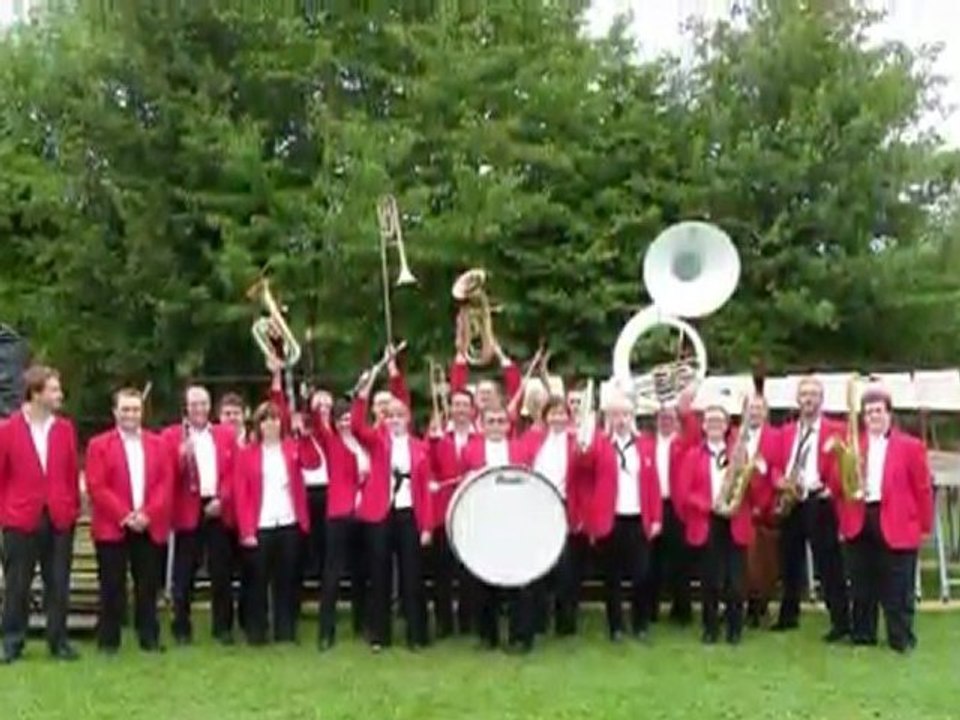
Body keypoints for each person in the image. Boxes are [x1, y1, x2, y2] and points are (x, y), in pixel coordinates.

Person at [835, 383, 932, 653]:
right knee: (861, 581)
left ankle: (900, 637)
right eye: (868, 413)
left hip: (897, 520)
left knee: (898, 585)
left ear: (889, 414)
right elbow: (838, 485)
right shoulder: (854, 445)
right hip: (860, 517)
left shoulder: (911, 446)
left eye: (878, 411)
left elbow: (922, 488)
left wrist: (923, 525)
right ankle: (863, 634)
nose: (874, 417)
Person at [0, 365, 81, 663]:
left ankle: (58, 641)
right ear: (36, 393)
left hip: (59, 516)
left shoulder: (65, 429)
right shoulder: (7, 430)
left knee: (58, 582)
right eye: (54, 390)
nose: (60, 395)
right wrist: (6, 513)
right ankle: (12, 641)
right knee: (17, 583)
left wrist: (71, 509)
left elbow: (72, 473)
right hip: (20, 519)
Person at [85, 387, 173, 653]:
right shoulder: (98, 445)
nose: (131, 414)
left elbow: (165, 483)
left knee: (147, 586)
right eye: (125, 409)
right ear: (115, 412)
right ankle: (109, 641)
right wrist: (125, 515)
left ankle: (149, 637)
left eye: (135, 409)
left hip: (149, 524)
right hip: (113, 526)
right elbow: (97, 486)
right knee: (112, 586)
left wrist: (148, 513)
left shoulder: (158, 444)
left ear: (142, 412)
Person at [351, 374, 433, 652]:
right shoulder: (377, 442)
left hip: (409, 513)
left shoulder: (420, 447)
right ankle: (379, 636)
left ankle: (417, 635)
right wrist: (363, 394)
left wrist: (426, 527)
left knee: (413, 576)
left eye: (400, 415)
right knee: (380, 574)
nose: (395, 419)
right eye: (391, 415)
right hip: (381, 514)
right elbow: (356, 426)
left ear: (408, 418)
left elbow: (424, 488)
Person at [773, 376, 850, 641]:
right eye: (804, 394)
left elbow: (847, 463)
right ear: (797, 399)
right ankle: (788, 615)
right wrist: (779, 481)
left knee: (829, 564)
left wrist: (832, 487)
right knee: (789, 562)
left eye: (814, 394)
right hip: (792, 500)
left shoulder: (837, 429)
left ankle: (841, 622)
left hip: (820, 500)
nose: (808, 399)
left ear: (821, 399)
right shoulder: (785, 432)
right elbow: (773, 465)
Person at [680, 404, 763, 645]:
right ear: (703, 426)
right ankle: (710, 629)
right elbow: (685, 493)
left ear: (727, 426)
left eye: (719, 421)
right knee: (710, 581)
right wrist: (709, 504)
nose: (714, 425)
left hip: (735, 520)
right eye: (709, 421)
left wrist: (754, 472)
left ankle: (735, 630)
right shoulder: (693, 456)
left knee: (736, 582)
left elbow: (753, 491)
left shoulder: (739, 453)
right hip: (708, 521)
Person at [162, 385, 238, 645]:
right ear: (186, 407)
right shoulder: (172, 436)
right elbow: (165, 477)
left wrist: (222, 498)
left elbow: (233, 473)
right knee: (184, 575)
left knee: (221, 573)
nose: (199, 409)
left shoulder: (225, 435)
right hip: (187, 509)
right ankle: (181, 628)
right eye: (194, 404)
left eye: (203, 403)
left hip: (217, 506)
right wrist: (180, 458)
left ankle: (223, 628)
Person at [587, 390, 662, 642]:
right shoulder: (599, 444)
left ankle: (640, 624)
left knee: (641, 575)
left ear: (633, 417)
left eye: (625, 414)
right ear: (608, 417)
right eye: (616, 414)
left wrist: (656, 518)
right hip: (611, 519)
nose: (621, 419)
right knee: (612, 578)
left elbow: (653, 484)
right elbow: (583, 467)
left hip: (638, 518)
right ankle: (615, 626)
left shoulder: (645, 445)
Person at [233, 401, 310, 645]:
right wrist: (247, 530)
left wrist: (305, 436)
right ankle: (257, 631)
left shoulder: (293, 448)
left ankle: (285, 630)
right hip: (261, 524)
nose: (271, 424)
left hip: (288, 522)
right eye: (266, 420)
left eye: (275, 419)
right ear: (258, 425)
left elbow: (313, 462)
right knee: (257, 581)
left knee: (286, 580)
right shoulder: (247, 454)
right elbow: (241, 494)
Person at [459, 403, 531, 651]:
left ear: (509, 425)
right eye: (491, 421)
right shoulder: (470, 451)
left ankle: (520, 636)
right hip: (484, 521)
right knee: (483, 578)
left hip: (513, 520)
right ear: (482, 424)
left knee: (518, 579)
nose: (497, 426)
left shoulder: (520, 449)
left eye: (501, 421)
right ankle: (487, 635)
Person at [428, 387, 481, 637]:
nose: (460, 410)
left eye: (464, 405)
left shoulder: (480, 438)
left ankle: (468, 620)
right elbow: (428, 469)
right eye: (456, 405)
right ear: (450, 408)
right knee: (442, 572)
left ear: (472, 410)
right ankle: (444, 623)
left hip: (471, 512)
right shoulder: (438, 436)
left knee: (469, 570)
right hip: (443, 511)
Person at [312, 398, 361, 650]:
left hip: (364, 512)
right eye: (341, 419)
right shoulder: (331, 441)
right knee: (332, 573)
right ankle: (325, 631)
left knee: (362, 572)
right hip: (339, 513)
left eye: (349, 419)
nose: (346, 423)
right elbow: (317, 423)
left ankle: (362, 624)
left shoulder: (366, 442)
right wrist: (321, 407)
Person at [645, 402, 699, 626]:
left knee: (680, 562)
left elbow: (694, 432)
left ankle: (682, 610)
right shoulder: (647, 443)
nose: (665, 421)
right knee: (651, 561)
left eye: (670, 417)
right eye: (662, 417)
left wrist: (684, 408)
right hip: (653, 506)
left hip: (676, 507)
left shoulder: (683, 442)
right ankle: (649, 609)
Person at [741, 393, 782, 627]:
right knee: (744, 563)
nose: (754, 413)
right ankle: (745, 604)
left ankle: (761, 606)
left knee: (766, 562)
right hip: (741, 506)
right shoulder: (735, 435)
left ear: (766, 412)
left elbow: (778, 468)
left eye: (759, 408)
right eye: (750, 408)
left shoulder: (776, 437)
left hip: (766, 507)